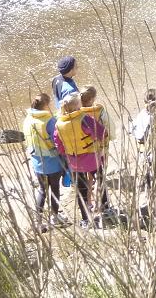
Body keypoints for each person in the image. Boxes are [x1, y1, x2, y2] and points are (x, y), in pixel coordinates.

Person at [53, 92, 106, 228]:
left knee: (81, 190)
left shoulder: (59, 123)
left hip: (74, 161)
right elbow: (101, 133)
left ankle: (85, 219)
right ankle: (105, 210)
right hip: (91, 157)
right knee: (100, 180)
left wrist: (68, 153)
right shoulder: (84, 119)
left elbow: (58, 144)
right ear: (78, 105)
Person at [22, 92, 65, 231]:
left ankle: (38, 220)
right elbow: (57, 141)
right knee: (55, 189)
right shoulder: (50, 121)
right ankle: (54, 217)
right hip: (52, 162)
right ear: (46, 105)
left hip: (37, 162)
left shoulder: (27, 120)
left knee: (42, 190)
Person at [80, 86, 115, 219]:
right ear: (93, 99)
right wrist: (110, 138)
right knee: (100, 176)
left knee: (89, 177)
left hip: (84, 151)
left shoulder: (77, 113)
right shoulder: (100, 111)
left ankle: (89, 203)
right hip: (100, 149)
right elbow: (110, 128)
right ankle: (101, 205)